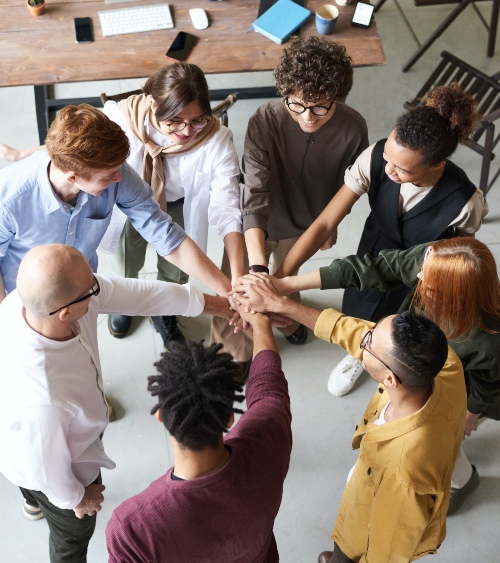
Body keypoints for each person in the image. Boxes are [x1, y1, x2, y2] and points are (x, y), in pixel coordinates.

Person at [231, 274, 466, 563]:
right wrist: (283, 305)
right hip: (381, 506)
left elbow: (396, 539)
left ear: (389, 378)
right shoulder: (442, 364)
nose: (363, 339)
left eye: (371, 343)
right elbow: (354, 333)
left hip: (375, 531)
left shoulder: (405, 467)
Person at [0, 244, 233, 563]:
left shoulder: (29, 302)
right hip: (51, 463)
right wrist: (77, 498)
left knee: (35, 489)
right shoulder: (43, 398)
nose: (99, 288)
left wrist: (219, 305)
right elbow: (43, 467)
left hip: (32, 439)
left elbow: (137, 294)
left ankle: (32, 502)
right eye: (91, 289)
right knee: (70, 533)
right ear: (64, 313)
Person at [76, 305, 292, 563]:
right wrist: (262, 324)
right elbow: (268, 385)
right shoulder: (269, 434)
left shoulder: (134, 523)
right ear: (228, 415)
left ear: (161, 415)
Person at [274, 83, 488, 393]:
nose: (388, 170)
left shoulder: (465, 201)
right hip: (374, 249)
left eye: (401, 169)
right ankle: (360, 354)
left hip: (420, 274)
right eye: (387, 156)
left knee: (400, 330)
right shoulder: (375, 158)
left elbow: (460, 257)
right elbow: (324, 223)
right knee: (360, 303)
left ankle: (384, 363)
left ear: (437, 165)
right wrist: (280, 278)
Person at [271, 237, 499, 511]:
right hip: (421, 374)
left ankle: (462, 482)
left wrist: (466, 419)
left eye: (428, 280)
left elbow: (488, 388)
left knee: (442, 443)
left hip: (466, 394)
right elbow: (373, 268)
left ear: (451, 294)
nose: (418, 274)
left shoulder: (488, 340)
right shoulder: (434, 260)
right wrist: (283, 286)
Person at [0, 104, 230, 305]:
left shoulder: (112, 168)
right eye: (109, 175)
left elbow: (164, 233)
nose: (119, 178)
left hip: (84, 290)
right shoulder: (8, 199)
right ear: (73, 177)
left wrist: (228, 292)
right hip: (20, 298)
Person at [101, 63, 250, 369]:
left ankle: (165, 310)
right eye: (175, 122)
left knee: (177, 269)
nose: (185, 132)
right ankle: (125, 301)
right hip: (130, 200)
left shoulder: (216, 138)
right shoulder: (120, 119)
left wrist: (236, 278)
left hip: (179, 203)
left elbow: (226, 203)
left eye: (197, 120)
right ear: (154, 105)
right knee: (126, 257)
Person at [240, 35, 368, 346]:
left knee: (286, 283)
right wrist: (258, 270)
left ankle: (286, 322)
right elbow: (254, 194)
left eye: (320, 107)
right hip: (259, 223)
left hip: (308, 225)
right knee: (241, 285)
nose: (307, 117)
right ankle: (237, 349)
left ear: (337, 96)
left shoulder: (354, 129)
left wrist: (330, 226)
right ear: (285, 92)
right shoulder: (264, 121)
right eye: (296, 104)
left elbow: (346, 191)